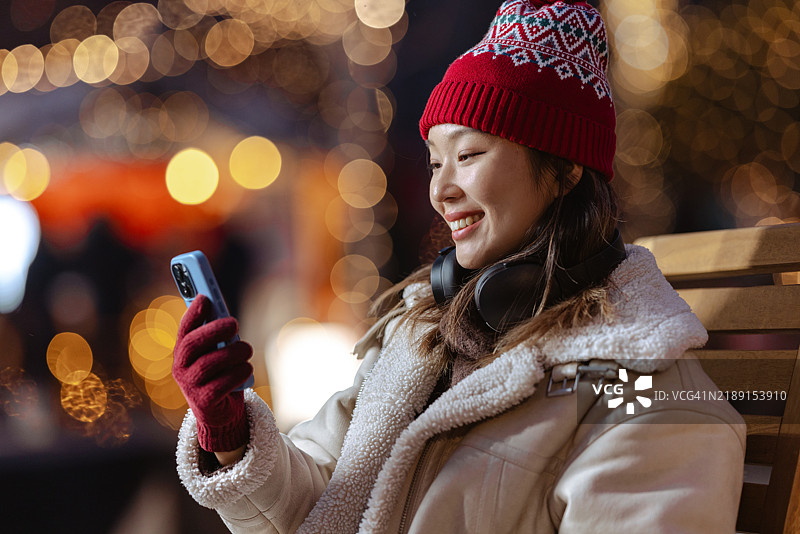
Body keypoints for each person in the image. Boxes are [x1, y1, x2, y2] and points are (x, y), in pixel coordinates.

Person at [172, 1, 746, 532]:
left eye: (469, 156)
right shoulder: (417, 334)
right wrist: (232, 436)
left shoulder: (646, 395)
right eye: (434, 162)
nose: (441, 191)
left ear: (566, 170)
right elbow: (327, 502)